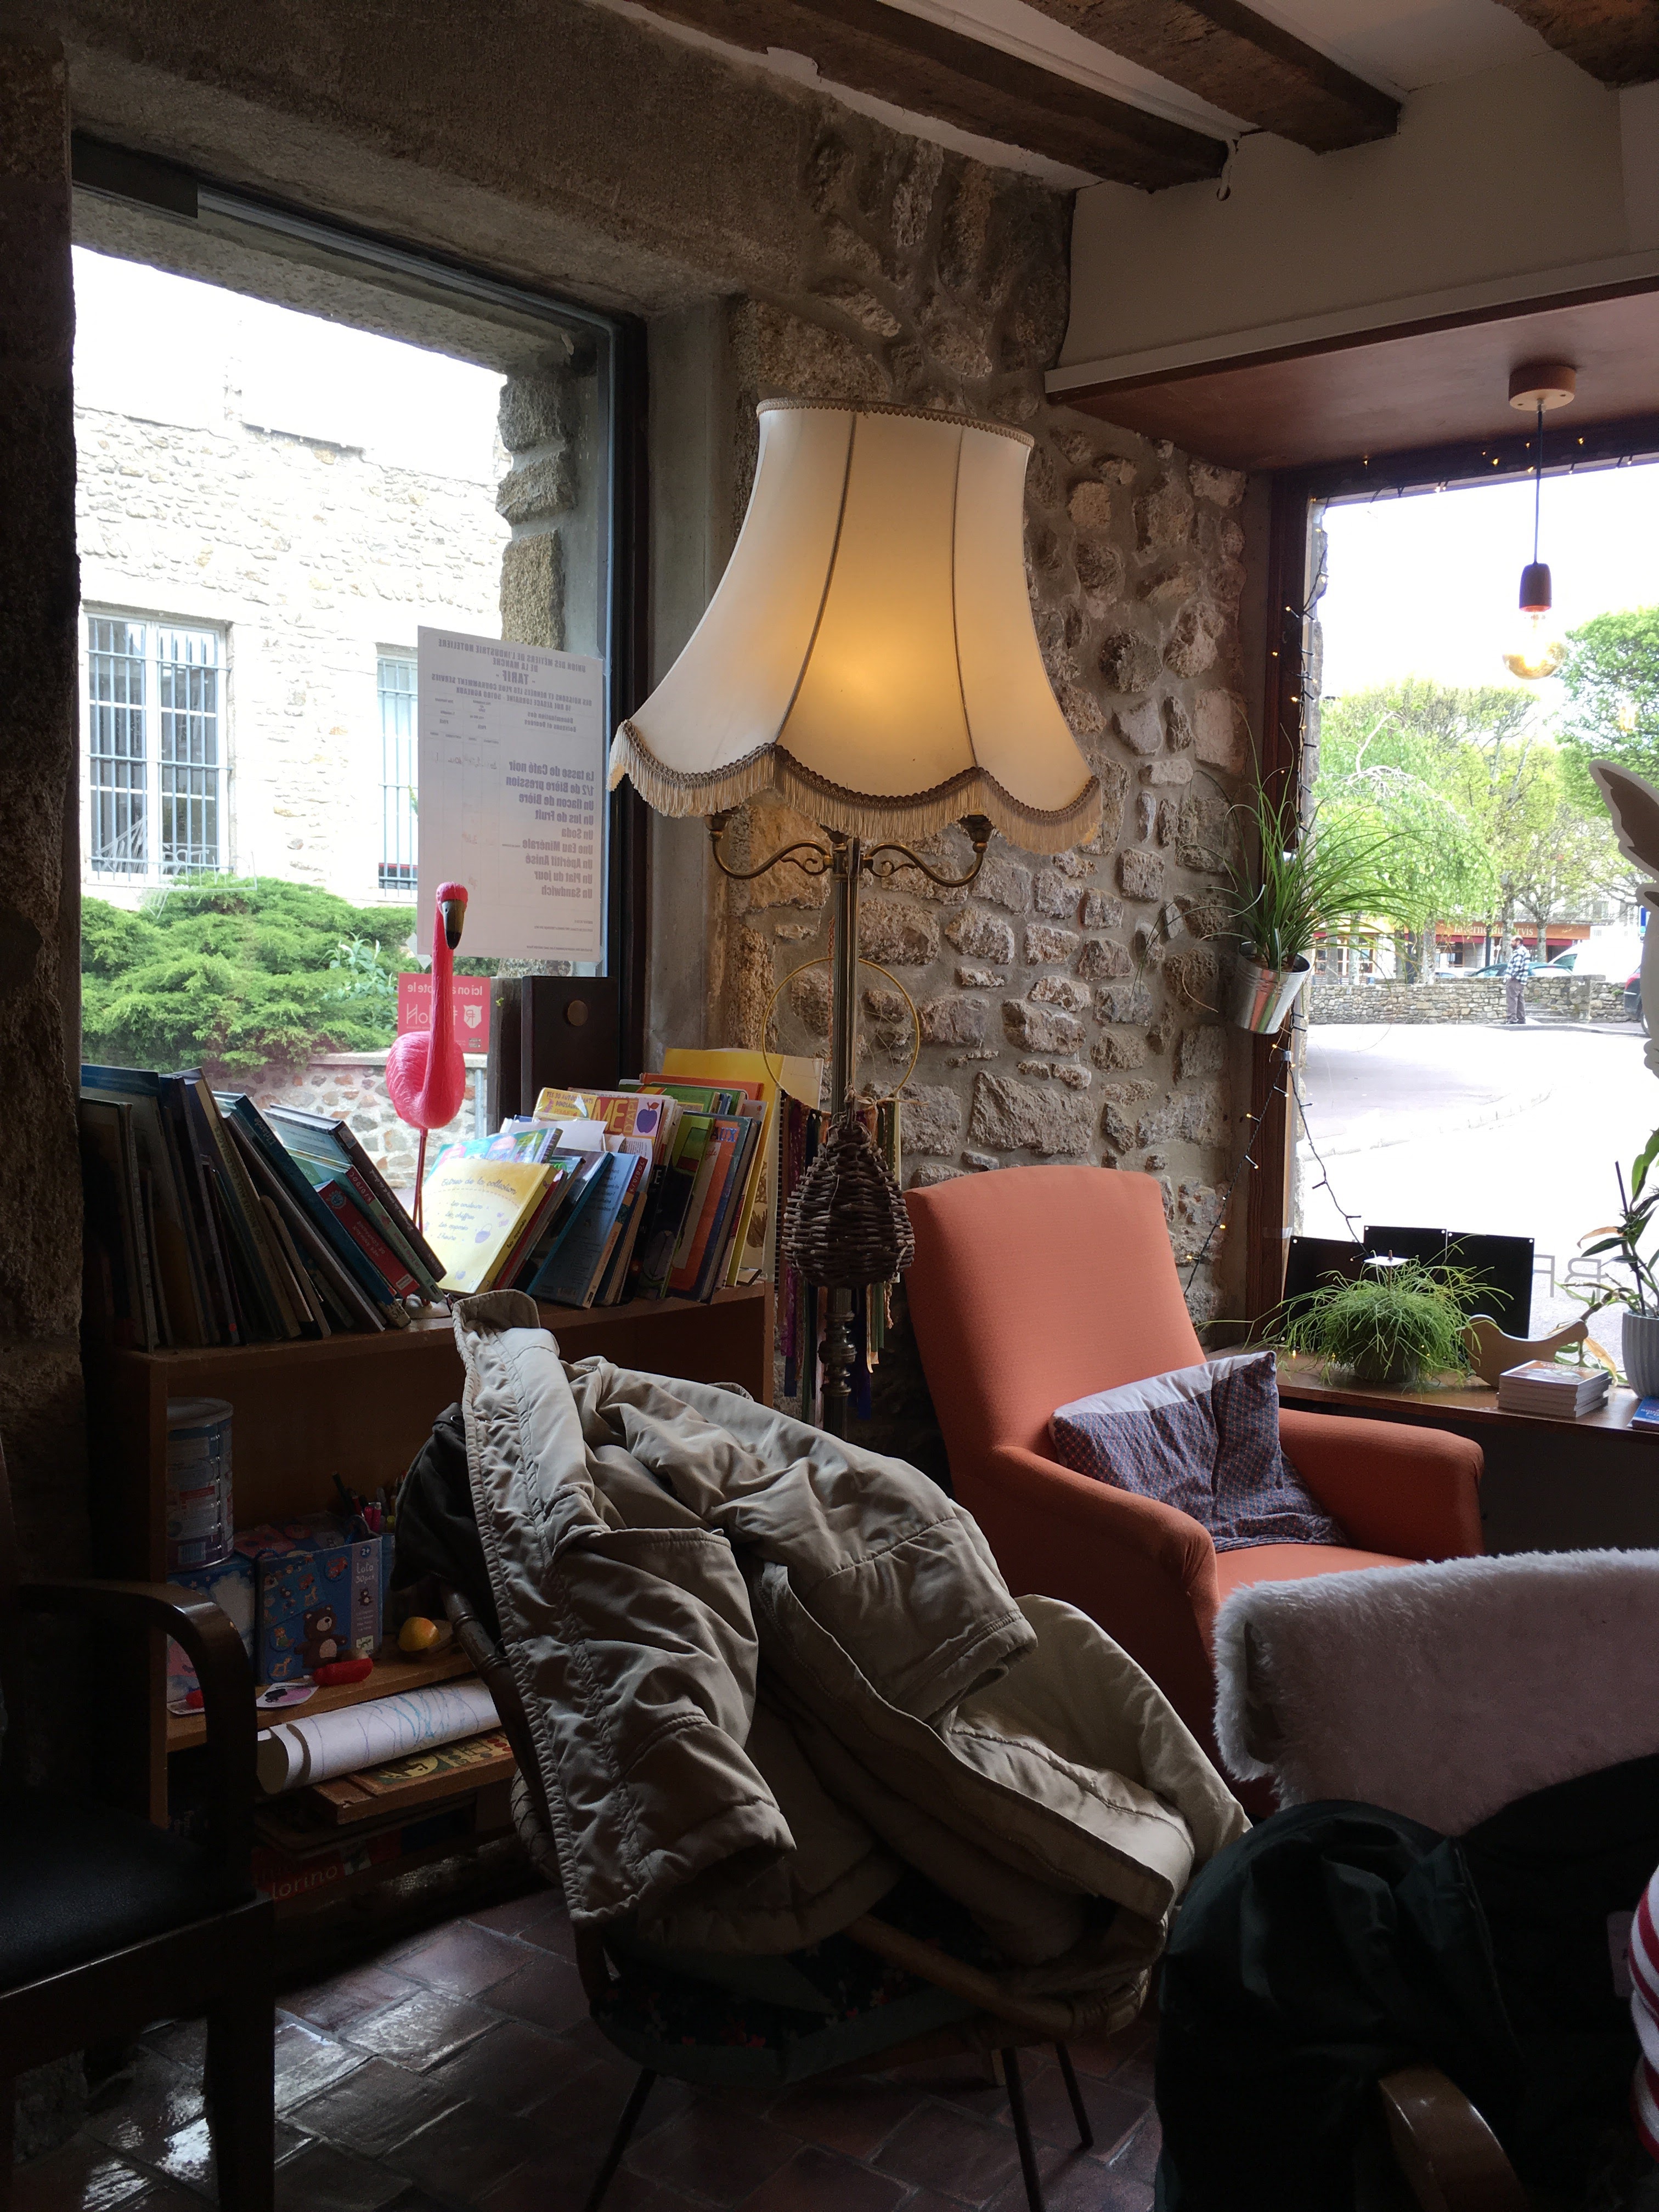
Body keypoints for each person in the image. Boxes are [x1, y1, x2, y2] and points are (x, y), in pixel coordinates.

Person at [1506, 935, 1531, 1025]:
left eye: (1513, 941)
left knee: (1512, 999)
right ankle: (1521, 1019)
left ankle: (1511, 1019)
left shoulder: (1519, 952)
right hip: (1522, 980)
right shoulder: (1525, 951)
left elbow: (1517, 966)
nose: (1511, 943)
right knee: (1520, 1000)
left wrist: (1511, 976)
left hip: (1515, 979)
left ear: (1518, 942)